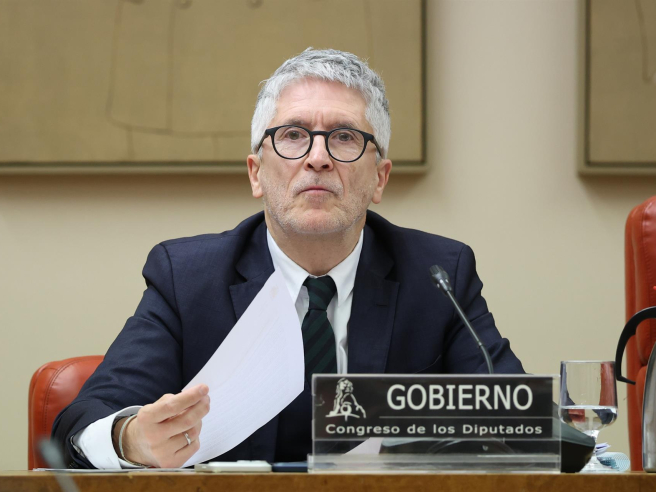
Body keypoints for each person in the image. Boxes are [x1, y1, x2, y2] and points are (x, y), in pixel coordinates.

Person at [52, 48, 524, 469]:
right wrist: (130, 438)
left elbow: (517, 424)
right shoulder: (188, 279)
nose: (318, 157)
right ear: (256, 173)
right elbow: (81, 426)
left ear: (379, 179)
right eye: (294, 135)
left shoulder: (439, 275)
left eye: (344, 137)